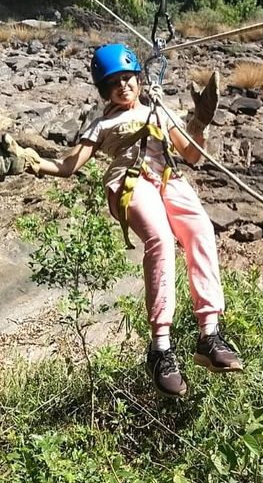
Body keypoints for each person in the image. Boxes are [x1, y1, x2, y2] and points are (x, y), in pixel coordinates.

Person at [0, 43, 242, 398]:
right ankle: (161, 349)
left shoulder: (161, 112)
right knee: (160, 240)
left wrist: (200, 120)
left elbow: (191, 154)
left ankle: (210, 335)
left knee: (202, 231)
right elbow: (69, 167)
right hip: (129, 183)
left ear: (139, 80)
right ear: (104, 91)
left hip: (168, 178)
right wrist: (32, 162)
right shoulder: (103, 124)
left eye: (128, 78)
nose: (124, 86)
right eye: (115, 83)